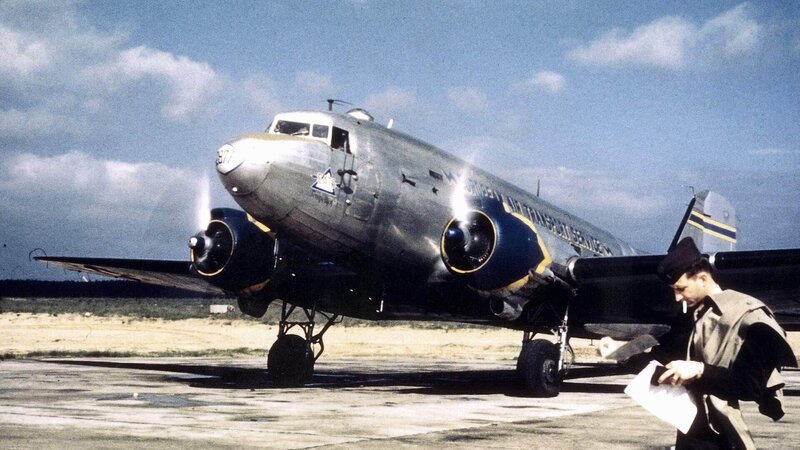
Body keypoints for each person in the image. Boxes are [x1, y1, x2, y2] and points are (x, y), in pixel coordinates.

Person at [604, 237, 797, 449]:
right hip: (691, 434)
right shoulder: (692, 317)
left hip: (725, 438)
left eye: (681, 288)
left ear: (703, 279)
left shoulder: (749, 317)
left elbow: (751, 386)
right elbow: (661, 357)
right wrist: (619, 352)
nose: (677, 298)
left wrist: (700, 371)